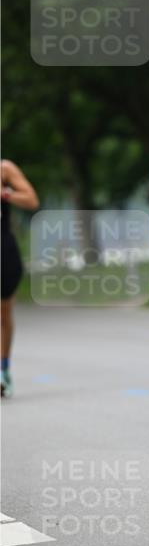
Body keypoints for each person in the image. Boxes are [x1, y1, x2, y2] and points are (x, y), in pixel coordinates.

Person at [1, 159, 39, 397]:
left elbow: (32, 200)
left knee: (4, 310)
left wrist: (6, 194)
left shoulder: (4, 169)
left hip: (3, 249)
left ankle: (3, 370)